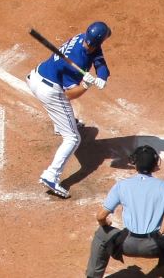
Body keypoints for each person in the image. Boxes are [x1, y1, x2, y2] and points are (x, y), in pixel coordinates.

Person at [84, 144, 164, 278]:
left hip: (125, 244)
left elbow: (100, 216)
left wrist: (105, 224)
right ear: (155, 165)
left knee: (101, 234)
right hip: (154, 247)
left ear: (135, 164)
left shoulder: (122, 185)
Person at [26, 20, 111, 198]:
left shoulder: (84, 38)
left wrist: (102, 76)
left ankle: (62, 124)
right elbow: (69, 95)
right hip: (49, 90)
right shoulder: (77, 59)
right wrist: (86, 84)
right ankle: (51, 175)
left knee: (67, 119)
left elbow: (100, 62)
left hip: (37, 76)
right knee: (72, 138)